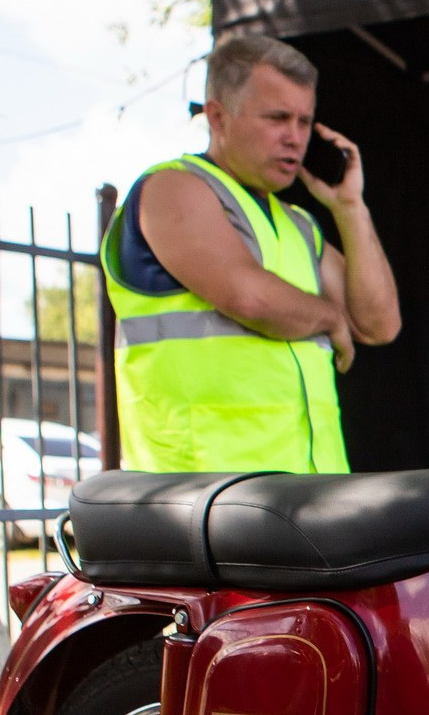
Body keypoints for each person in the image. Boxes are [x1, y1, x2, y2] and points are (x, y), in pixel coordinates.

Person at [101, 34, 402, 473]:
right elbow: (249, 297)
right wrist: (331, 316)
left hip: (305, 494)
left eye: (305, 121)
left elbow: (379, 324)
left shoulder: (296, 222)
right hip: (202, 500)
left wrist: (350, 208)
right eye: (278, 118)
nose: (295, 138)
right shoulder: (171, 187)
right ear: (217, 117)